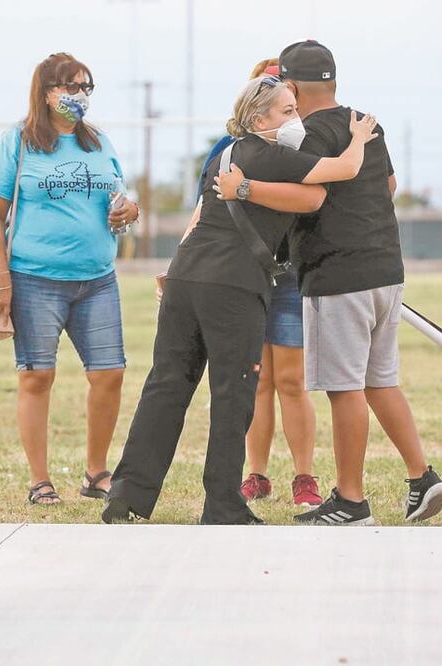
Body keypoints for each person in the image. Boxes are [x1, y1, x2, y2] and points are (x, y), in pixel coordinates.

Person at [102, 74, 377, 525]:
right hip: (233, 286)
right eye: (287, 112)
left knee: (166, 386)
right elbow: (343, 171)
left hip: (187, 277)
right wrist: (360, 136)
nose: (296, 121)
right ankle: (223, 504)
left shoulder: (226, 154)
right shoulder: (271, 154)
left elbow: (206, 215)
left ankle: (127, 492)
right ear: (257, 117)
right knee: (233, 394)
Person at [217, 41, 442, 525]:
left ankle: (351, 500)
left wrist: (246, 189)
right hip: (386, 268)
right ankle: (423, 478)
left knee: (345, 390)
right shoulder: (367, 122)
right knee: (381, 381)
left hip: (338, 274)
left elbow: (308, 196)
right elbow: (388, 188)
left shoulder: (304, 135)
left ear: (292, 87)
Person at [0, 52, 140, 505]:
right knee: (37, 377)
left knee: (110, 374)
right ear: (46, 92)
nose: (79, 96)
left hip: (97, 279)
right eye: (70, 87)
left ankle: (95, 472)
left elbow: (122, 199)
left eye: (86, 87)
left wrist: (130, 211)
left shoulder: (99, 142)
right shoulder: (19, 142)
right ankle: (40, 480)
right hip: (34, 279)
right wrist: (2, 279)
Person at [194, 58, 322, 510]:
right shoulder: (228, 148)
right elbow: (203, 207)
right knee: (256, 379)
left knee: (291, 378)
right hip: (241, 274)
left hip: (287, 274)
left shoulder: (304, 145)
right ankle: (257, 473)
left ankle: (305, 476)